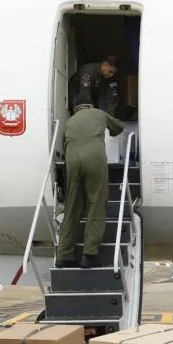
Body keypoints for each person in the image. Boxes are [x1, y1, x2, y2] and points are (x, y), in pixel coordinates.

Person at [57, 94, 125, 268]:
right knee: (97, 203)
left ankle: (64, 255)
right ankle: (89, 254)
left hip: (72, 160)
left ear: (75, 108)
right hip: (94, 157)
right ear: (90, 106)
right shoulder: (98, 113)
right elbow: (118, 127)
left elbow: (64, 143)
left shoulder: (70, 121)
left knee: (72, 206)